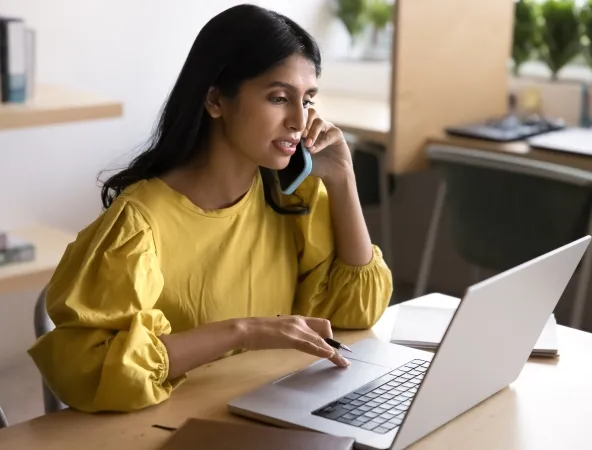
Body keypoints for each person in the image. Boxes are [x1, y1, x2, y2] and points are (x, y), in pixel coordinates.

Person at [28, 4, 393, 413]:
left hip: (271, 411)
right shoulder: (139, 224)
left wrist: (343, 179)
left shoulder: (294, 200)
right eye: (279, 98)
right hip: (172, 426)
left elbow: (356, 312)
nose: (299, 119)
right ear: (216, 100)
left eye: (307, 100)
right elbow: (91, 367)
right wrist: (242, 332)